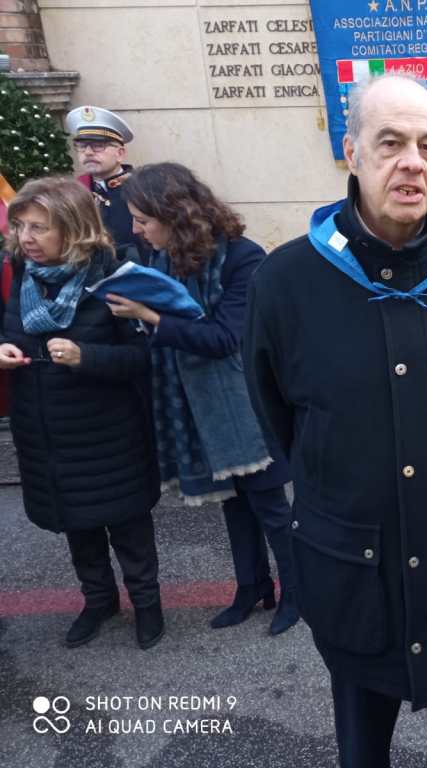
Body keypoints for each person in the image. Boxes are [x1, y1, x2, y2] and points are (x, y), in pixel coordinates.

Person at [244, 73, 427, 767]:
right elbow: (279, 416)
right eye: (391, 143)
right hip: (352, 574)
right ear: (352, 152)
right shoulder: (285, 280)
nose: (413, 163)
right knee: (361, 748)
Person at [108, 162, 298, 636]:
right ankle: (251, 587)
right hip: (196, 404)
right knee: (233, 504)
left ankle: (298, 593)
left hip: (245, 405)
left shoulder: (243, 257)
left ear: (174, 214)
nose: (136, 230)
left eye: (143, 220)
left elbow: (224, 338)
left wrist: (151, 317)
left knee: (271, 508)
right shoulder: (161, 258)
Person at [0, 176, 164, 649]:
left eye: (39, 227)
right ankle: (98, 600)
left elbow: (145, 357)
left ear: (72, 228)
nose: (26, 238)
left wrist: (86, 357)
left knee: (128, 526)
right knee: (77, 525)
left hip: (108, 434)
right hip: (45, 433)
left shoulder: (114, 276)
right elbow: (11, 333)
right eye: (21, 227)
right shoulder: (21, 274)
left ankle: (148, 605)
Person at [65, 106, 147, 261]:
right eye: (82, 146)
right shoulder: (73, 192)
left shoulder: (144, 189)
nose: (88, 152)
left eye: (98, 146)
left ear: (120, 153)